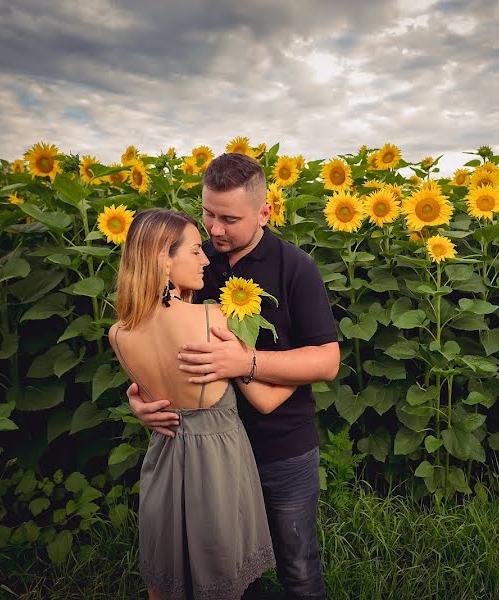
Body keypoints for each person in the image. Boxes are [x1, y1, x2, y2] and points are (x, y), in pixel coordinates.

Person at [128, 152, 340, 599]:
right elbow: (156, 338)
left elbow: (326, 361)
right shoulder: (191, 261)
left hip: (281, 447)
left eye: (229, 218)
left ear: (264, 212)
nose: (215, 230)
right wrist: (141, 396)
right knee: (227, 573)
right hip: (208, 456)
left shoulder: (294, 267)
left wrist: (247, 363)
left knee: (298, 567)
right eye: (207, 213)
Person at [109, 208, 296, 600]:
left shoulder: (119, 333)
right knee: (223, 580)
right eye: (195, 251)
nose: (206, 259)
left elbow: (148, 393)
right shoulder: (214, 318)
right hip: (217, 466)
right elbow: (263, 399)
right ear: (164, 258)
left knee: (171, 583)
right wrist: (311, 372)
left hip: (163, 463)